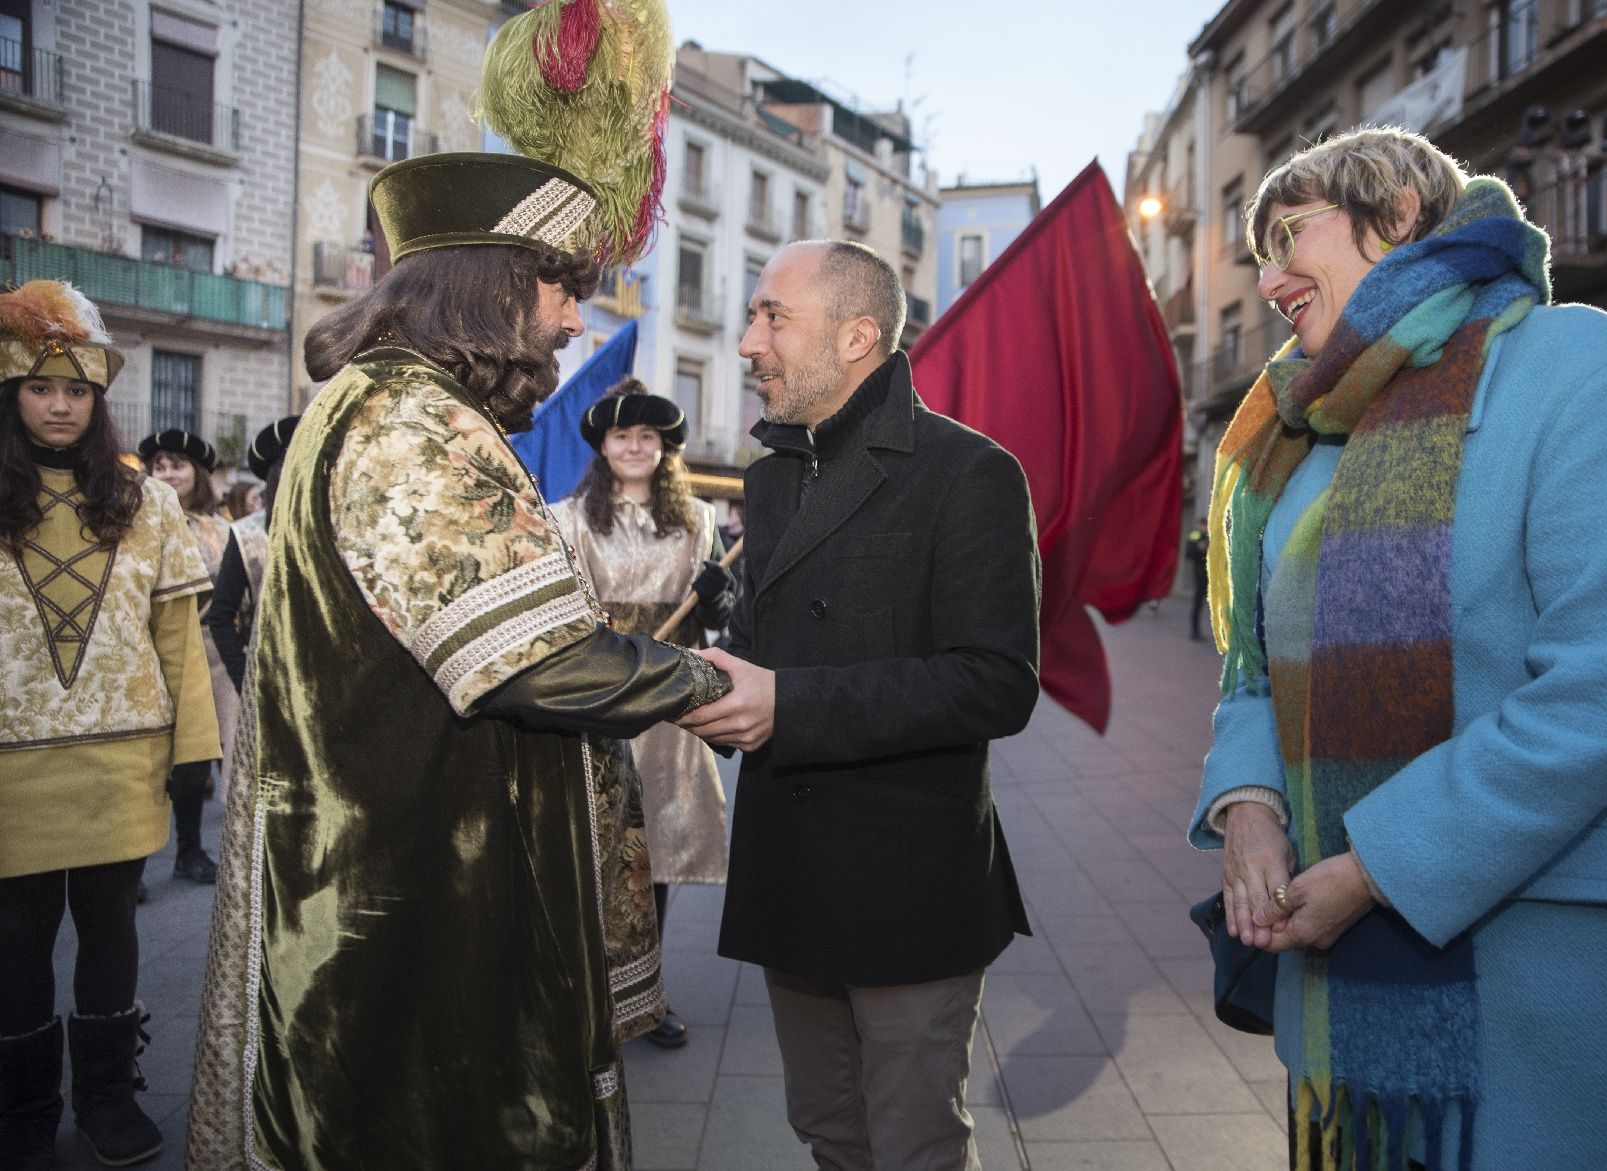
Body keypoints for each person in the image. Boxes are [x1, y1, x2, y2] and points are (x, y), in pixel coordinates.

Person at [184, 1, 726, 1166]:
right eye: (556, 287)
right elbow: (532, 657)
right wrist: (705, 680)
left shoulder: (397, 404)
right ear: (487, 286)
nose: (574, 318)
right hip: (406, 890)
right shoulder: (406, 416)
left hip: (419, 856)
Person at [1190, 126, 1607, 1170]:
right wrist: (1248, 813)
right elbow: (1253, 664)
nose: (1266, 279)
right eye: (1258, 250)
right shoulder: (1300, 442)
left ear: (1394, 216)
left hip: (1552, 982)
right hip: (1355, 1016)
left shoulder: (1574, 366)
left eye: (1289, 235)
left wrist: (1380, 866)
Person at [678, 240, 1041, 1171]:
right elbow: (771, 644)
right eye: (754, 316)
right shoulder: (768, 476)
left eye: (772, 317)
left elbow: (996, 681)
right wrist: (708, 679)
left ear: (857, 336)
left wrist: (786, 705)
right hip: (791, 871)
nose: (749, 341)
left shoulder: (970, 472)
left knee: (912, 1143)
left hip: (904, 883)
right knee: (829, 1129)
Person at [0, 280, 221, 1169]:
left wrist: (193, 756)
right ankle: (21, 1110)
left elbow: (178, 639)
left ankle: (106, 1097)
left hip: (122, 761)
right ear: (10, 392)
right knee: (14, 941)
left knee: (111, 932)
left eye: (78, 390)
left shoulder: (150, 504)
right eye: (41, 387)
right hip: (11, 770)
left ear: (99, 401)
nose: (60, 405)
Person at [552, 381, 736, 1049]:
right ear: (602, 447)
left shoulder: (697, 523)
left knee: (654, 850)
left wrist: (719, 600)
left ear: (664, 449)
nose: (634, 445)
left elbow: (720, 620)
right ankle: (584, 993)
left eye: (648, 437)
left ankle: (646, 994)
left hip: (666, 701)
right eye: (621, 436)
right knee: (593, 848)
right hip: (599, 699)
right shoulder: (567, 519)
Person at [137, 428, 229, 883]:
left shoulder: (222, 531)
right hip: (152, 650)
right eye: (159, 466)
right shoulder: (134, 522)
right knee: (148, 760)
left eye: (179, 465)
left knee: (196, 759)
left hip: (209, 651)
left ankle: (189, 852)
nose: (169, 474)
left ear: (198, 473)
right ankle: (128, 868)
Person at [205, 415, 299, 694]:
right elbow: (220, 616)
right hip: (269, 679)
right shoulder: (248, 534)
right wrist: (245, 680)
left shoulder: (345, 532)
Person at [1184, 515, 1210, 640]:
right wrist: (1199, 549)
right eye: (1202, 525)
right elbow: (1188, 553)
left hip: (1210, 572)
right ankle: (1195, 631)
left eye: (1205, 525)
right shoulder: (1194, 535)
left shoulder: (1210, 537)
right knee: (1198, 601)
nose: (1203, 527)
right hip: (1199, 570)